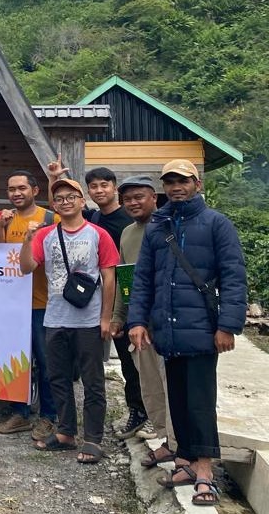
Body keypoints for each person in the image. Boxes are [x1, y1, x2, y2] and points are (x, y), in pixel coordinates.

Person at [128, 160, 247, 506]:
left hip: (203, 330)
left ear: (196, 183)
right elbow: (143, 280)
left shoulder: (216, 224)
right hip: (167, 330)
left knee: (199, 402)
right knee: (177, 398)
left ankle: (205, 471)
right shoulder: (157, 227)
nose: (176, 187)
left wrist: (228, 325)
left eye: (182, 181)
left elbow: (234, 276)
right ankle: (184, 462)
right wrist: (137, 321)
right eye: (170, 182)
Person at [20, 177, 118, 463]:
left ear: (81, 200)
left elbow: (109, 278)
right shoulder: (45, 235)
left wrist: (105, 317)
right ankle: (65, 433)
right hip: (55, 318)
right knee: (58, 378)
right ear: (53, 205)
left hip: (88, 320)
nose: (65, 201)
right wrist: (27, 241)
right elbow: (26, 268)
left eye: (71, 196)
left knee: (93, 381)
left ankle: (93, 439)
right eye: (59, 198)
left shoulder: (98, 234)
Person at [48, 158, 144, 435]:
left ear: (114, 187)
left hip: (126, 289)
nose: (99, 190)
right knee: (110, 361)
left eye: (105, 185)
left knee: (133, 358)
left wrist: (124, 310)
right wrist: (54, 177)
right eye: (94, 186)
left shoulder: (130, 218)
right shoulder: (94, 218)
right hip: (96, 296)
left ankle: (142, 411)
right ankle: (136, 410)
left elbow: (126, 267)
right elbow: (62, 204)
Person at [113, 176, 179, 469]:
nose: (133, 203)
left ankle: (181, 444)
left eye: (139, 197)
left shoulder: (170, 226)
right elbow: (125, 279)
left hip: (168, 322)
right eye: (127, 199)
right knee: (150, 384)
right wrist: (120, 317)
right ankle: (166, 439)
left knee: (174, 385)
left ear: (154, 197)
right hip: (139, 325)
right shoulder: (127, 233)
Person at [0, 171, 58, 437]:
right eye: (11, 189)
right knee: (16, 360)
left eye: (21, 188)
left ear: (35, 191)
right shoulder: (6, 219)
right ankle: (19, 412)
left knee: (46, 361)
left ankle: (49, 416)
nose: (16, 193)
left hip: (44, 302)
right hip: (12, 305)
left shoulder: (50, 218)